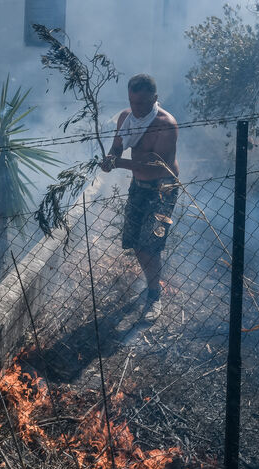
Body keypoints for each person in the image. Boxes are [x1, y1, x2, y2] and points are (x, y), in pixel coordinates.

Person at [101, 74, 180, 322]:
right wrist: (110, 157)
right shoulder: (126, 118)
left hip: (162, 188)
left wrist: (118, 163)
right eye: (133, 103)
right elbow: (118, 146)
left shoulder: (165, 124)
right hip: (139, 185)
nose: (137, 109)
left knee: (150, 243)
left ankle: (154, 296)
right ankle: (151, 282)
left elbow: (159, 166)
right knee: (135, 240)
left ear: (155, 99)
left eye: (143, 104)